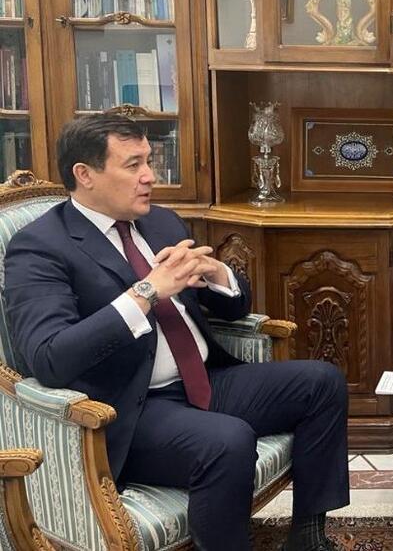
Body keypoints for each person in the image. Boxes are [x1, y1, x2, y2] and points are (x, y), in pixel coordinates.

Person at [4, 114, 350, 551]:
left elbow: (235, 308)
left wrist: (217, 273)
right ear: (85, 174)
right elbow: (49, 357)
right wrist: (146, 292)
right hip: (130, 409)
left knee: (321, 382)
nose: (150, 176)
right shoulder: (39, 246)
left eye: (148, 161)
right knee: (227, 441)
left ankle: (308, 538)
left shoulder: (161, 223)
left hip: (204, 381)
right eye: (133, 165)